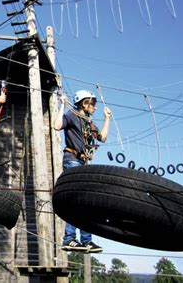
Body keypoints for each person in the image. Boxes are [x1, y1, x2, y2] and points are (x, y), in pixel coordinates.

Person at [54, 89, 112, 253]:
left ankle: (86, 240)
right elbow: (57, 125)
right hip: (72, 159)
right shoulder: (71, 116)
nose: (94, 107)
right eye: (92, 103)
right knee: (75, 199)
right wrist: (62, 107)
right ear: (83, 103)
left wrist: (107, 119)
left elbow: (102, 138)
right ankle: (70, 238)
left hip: (83, 162)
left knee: (84, 202)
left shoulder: (89, 123)